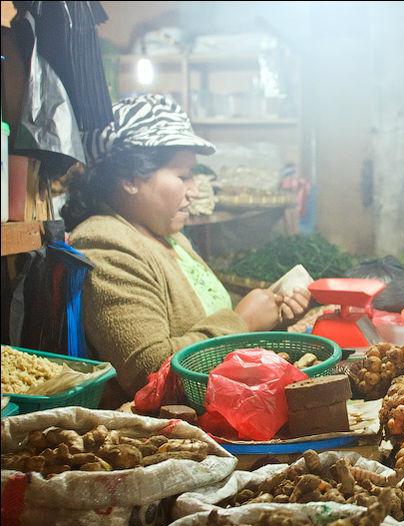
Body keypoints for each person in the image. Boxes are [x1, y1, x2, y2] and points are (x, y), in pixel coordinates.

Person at [63, 94, 311, 404]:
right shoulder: (104, 243)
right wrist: (243, 324)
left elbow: (205, 310)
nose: (194, 191)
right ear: (130, 179)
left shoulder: (168, 235)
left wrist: (273, 312)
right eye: (183, 176)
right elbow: (148, 373)